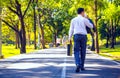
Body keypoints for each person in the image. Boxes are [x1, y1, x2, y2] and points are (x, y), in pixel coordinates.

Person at [68, 8, 93, 73]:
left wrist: (69, 37)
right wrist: (87, 18)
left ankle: (77, 64)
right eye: (84, 12)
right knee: (83, 51)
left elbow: (71, 29)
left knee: (76, 51)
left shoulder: (73, 20)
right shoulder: (84, 19)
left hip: (76, 36)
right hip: (83, 36)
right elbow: (91, 26)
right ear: (82, 12)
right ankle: (82, 66)